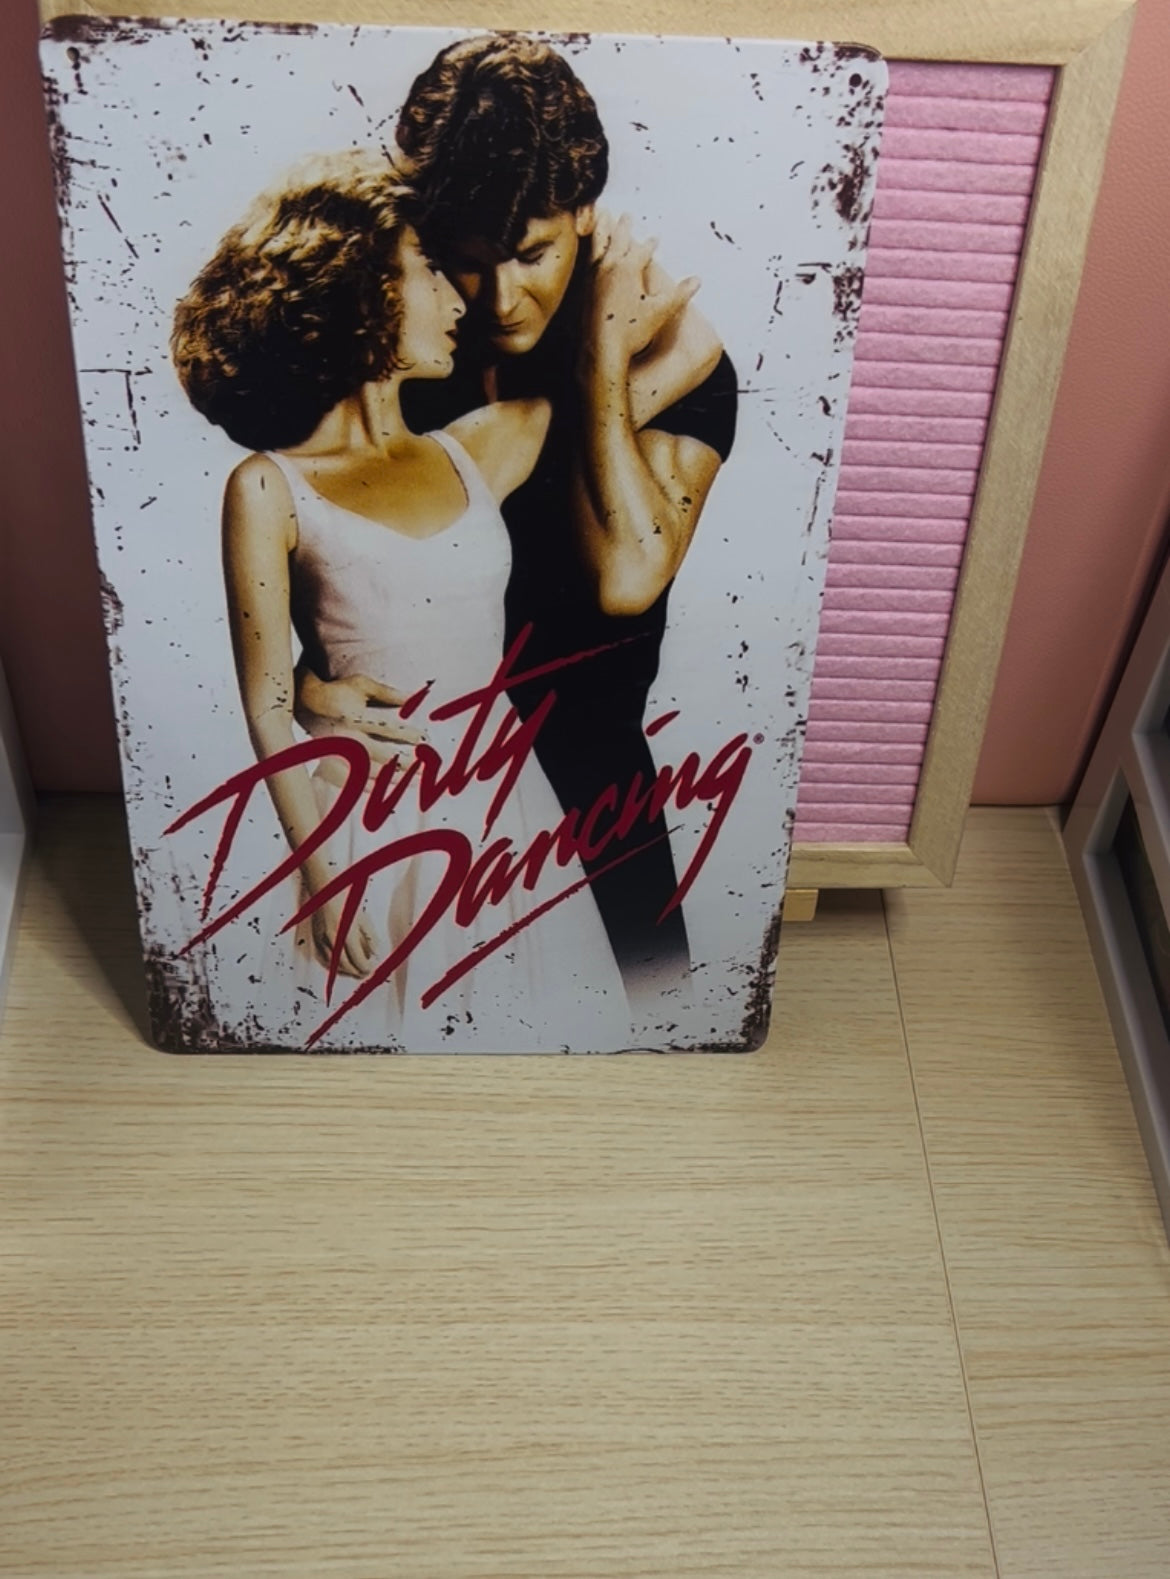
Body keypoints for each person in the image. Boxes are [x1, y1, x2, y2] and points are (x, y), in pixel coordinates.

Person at [297, 35, 738, 1015]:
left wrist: (599, 366)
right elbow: (310, 553)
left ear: (586, 210)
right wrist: (309, 689)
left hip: (594, 815)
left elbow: (628, 574)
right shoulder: (403, 348)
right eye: (469, 263)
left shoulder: (673, 350)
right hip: (409, 808)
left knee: (657, 1045)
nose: (500, 298)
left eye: (532, 255)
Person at [171, 151, 629, 1050]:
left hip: (506, 804)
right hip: (363, 822)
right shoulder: (267, 488)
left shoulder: (477, 448)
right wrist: (321, 877)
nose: (461, 300)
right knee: (376, 1040)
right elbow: (264, 707)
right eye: (429, 270)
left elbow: (602, 382)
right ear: (363, 288)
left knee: (540, 1035)